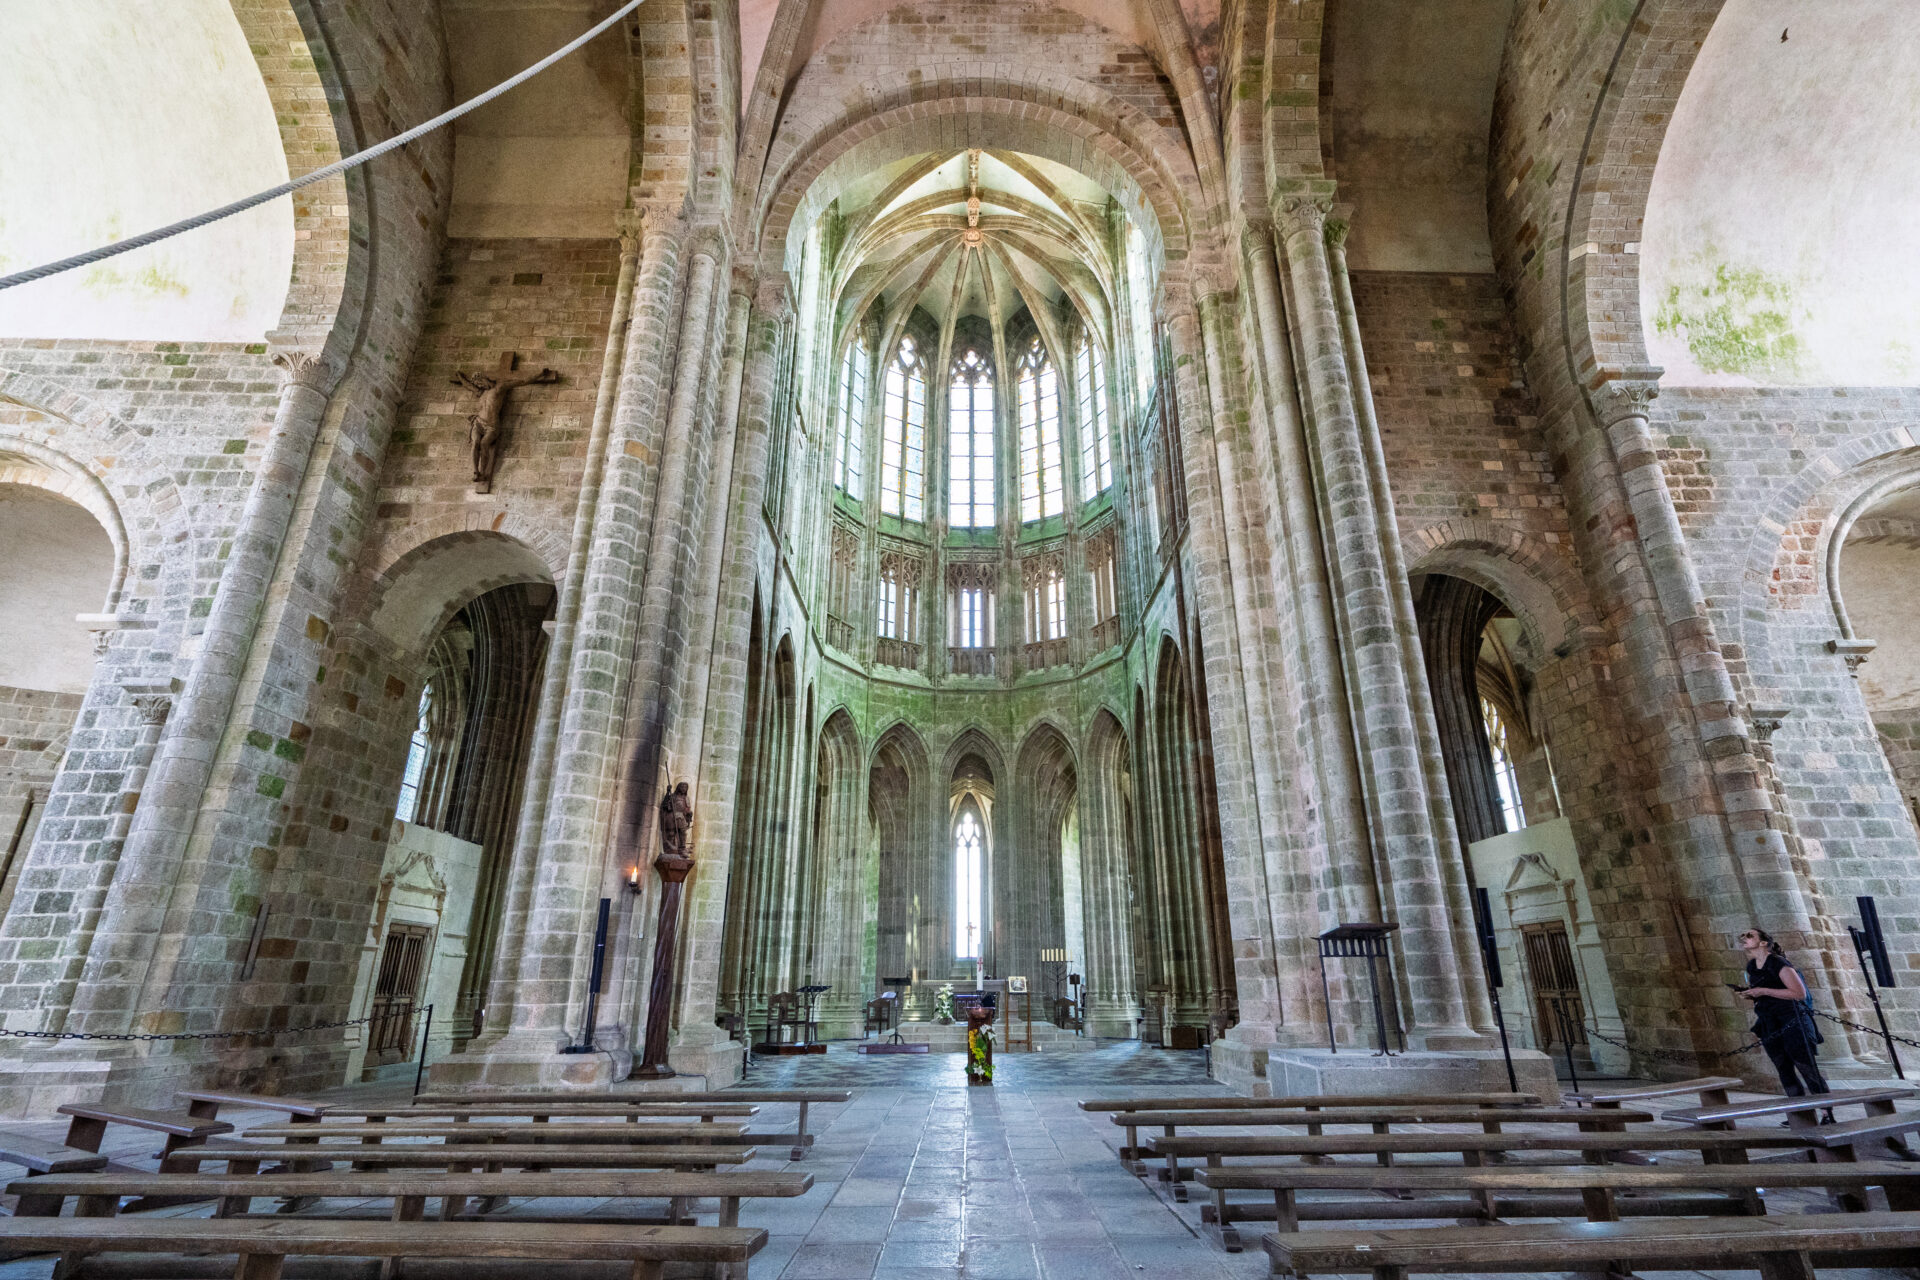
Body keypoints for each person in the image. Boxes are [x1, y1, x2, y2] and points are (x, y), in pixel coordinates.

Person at [1736, 927, 1830, 1103]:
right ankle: (1799, 1112)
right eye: (1743, 936)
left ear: (1763, 942)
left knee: (1806, 1067)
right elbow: (1763, 993)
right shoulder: (1752, 966)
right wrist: (1751, 993)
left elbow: (1798, 993)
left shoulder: (1779, 963)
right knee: (1783, 1068)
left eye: (1749, 935)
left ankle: (1826, 1112)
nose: (1744, 938)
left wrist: (1763, 990)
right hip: (1770, 1022)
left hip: (1792, 1020)